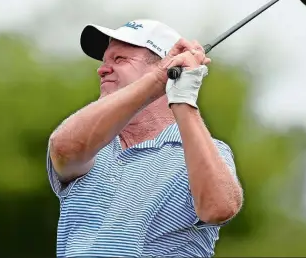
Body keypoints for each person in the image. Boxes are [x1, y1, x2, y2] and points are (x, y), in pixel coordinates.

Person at [47, 19, 244, 257]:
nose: (102, 69)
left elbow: (218, 208)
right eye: (104, 61)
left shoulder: (206, 151)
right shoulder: (93, 145)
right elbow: (63, 149)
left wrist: (182, 97)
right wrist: (159, 79)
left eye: (120, 59)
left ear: (167, 67)